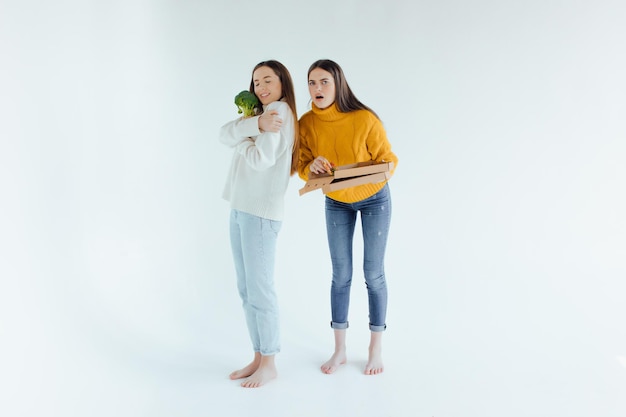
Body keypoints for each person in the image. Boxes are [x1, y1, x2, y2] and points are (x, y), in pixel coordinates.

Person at [298, 59, 398, 375]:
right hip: (336, 202)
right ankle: (339, 350)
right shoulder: (306, 124)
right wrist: (311, 166)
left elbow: (389, 161)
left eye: (324, 81)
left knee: (373, 274)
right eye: (312, 83)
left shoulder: (364, 119)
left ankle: (374, 348)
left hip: (374, 200)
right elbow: (301, 166)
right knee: (341, 275)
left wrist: (361, 173)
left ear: (338, 84)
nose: (317, 88)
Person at [219, 60, 298, 388]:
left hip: (260, 214)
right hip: (241, 208)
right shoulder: (260, 116)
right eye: (256, 82)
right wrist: (252, 126)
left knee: (260, 290)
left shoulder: (277, 111)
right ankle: (258, 355)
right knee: (246, 289)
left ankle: (270, 363)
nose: (261, 87)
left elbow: (259, 159)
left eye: (268, 80)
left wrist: (247, 131)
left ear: (282, 84)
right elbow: (223, 133)